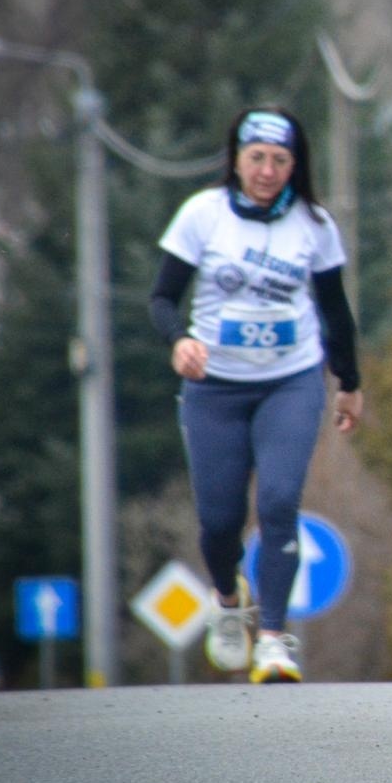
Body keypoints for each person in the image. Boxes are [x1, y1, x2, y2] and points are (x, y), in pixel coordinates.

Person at [149, 106, 363, 684]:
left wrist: (349, 384)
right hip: (214, 388)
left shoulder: (314, 225)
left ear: (296, 166)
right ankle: (227, 597)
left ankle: (272, 637)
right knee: (220, 521)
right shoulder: (203, 214)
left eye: (280, 160)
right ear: (237, 161)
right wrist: (179, 342)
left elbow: (336, 312)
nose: (268, 171)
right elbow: (163, 298)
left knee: (277, 503)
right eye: (257, 159)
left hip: (290, 383)